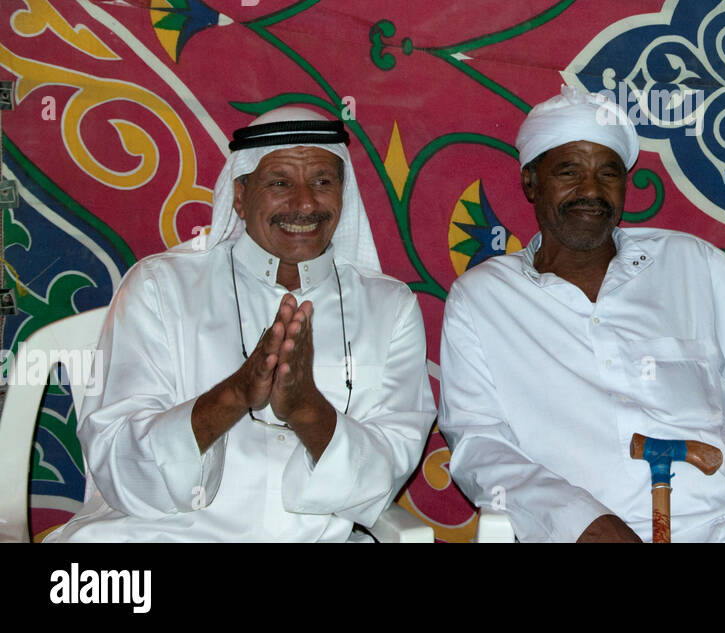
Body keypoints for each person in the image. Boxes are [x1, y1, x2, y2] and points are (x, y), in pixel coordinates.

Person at [438, 86, 725, 542]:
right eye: (569, 171)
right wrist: (576, 518)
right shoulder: (483, 298)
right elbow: (478, 443)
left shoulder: (688, 263)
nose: (590, 190)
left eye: (608, 173)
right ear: (530, 182)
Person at [49, 106, 436, 542]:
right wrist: (234, 394)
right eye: (280, 183)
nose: (305, 203)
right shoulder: (161, 285)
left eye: (323, 182)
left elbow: (383, 474)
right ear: (239, 195)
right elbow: (117, 458)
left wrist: (307, 408)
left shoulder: (390, 306)